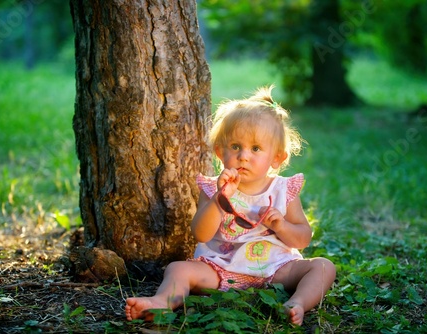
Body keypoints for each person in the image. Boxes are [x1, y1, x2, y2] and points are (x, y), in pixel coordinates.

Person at [125, 86, 336, 326]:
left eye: (255, 148)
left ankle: (297, 303)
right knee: (178, 269)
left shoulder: (282, 190)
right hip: (220, 267)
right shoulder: (214, 188)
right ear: (220, 151)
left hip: (276, 268)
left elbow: (302, 239)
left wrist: (282, 225)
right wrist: (219, 200)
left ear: (277, 158)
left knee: (322, 267)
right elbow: (201, 234)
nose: (244, 156)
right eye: (236, 146)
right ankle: (162, 301)